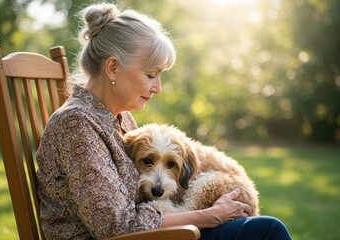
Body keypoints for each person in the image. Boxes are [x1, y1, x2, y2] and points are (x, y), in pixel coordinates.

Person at [36, 3, 293, 240]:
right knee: (267, 230)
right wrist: (209, 216)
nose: (158, 88)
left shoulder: (117, 118)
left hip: (147, 234)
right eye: (151, 75)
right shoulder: (76, 124)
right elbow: (115, 226)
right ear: (113, 68)